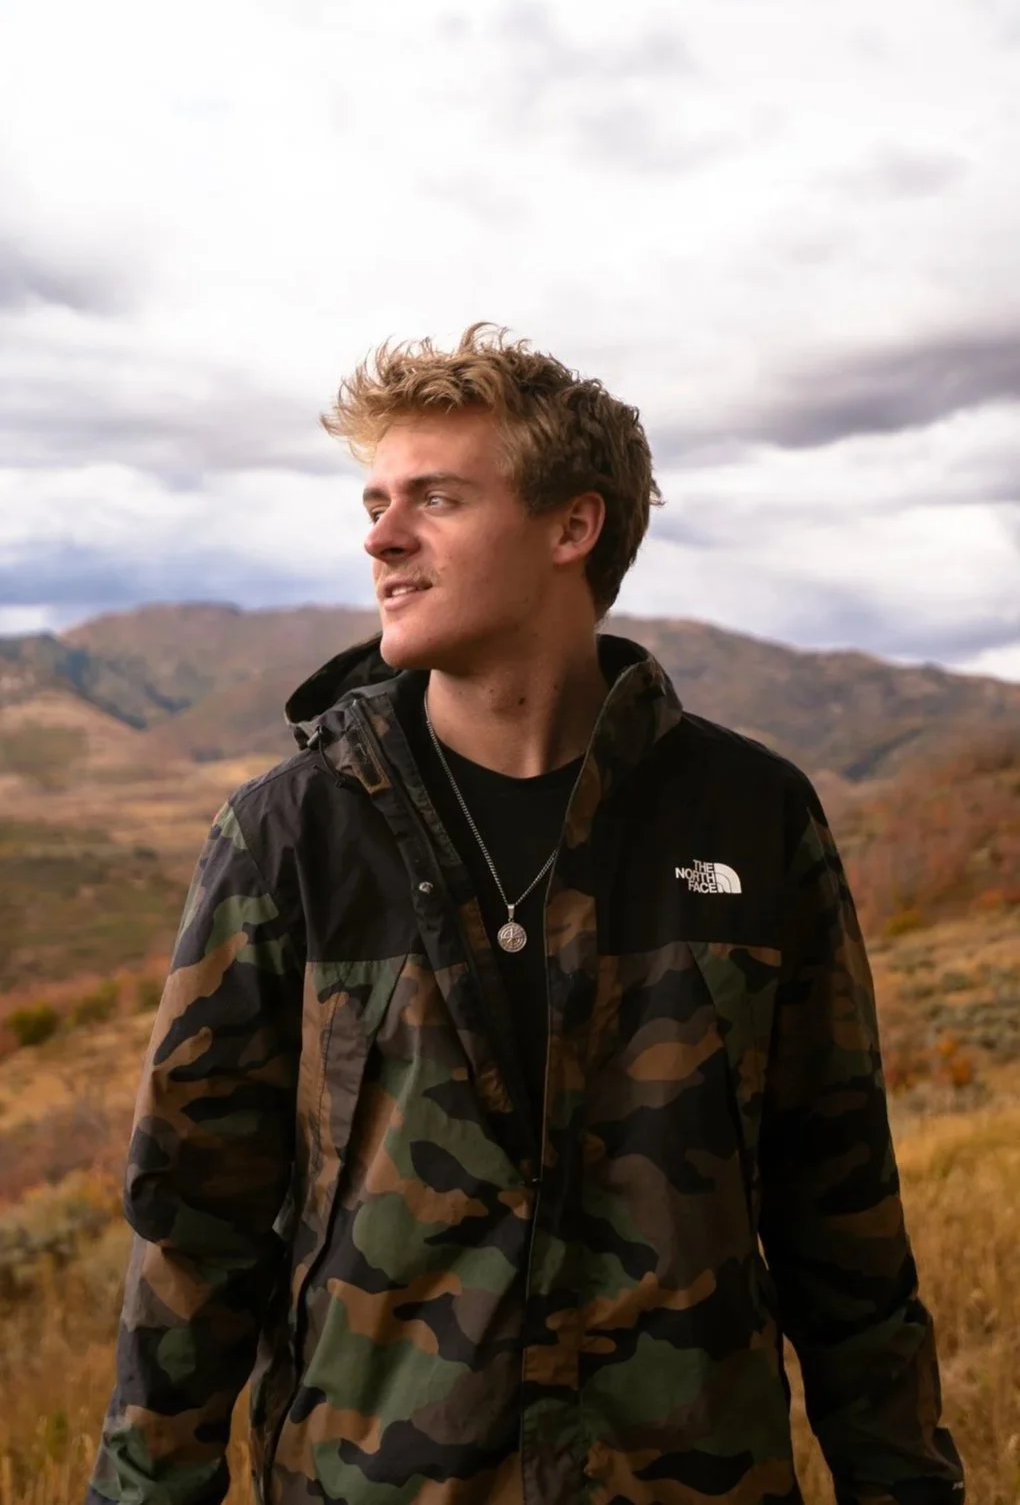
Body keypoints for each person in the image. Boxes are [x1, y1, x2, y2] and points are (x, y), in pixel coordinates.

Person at [88, 324, 964, 1505]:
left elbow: (841, 1214)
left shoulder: (754, 817)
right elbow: (195, 1235)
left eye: (434, 498)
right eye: (377, 500)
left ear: (572, 526)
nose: (381, 536)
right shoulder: (290, 835)